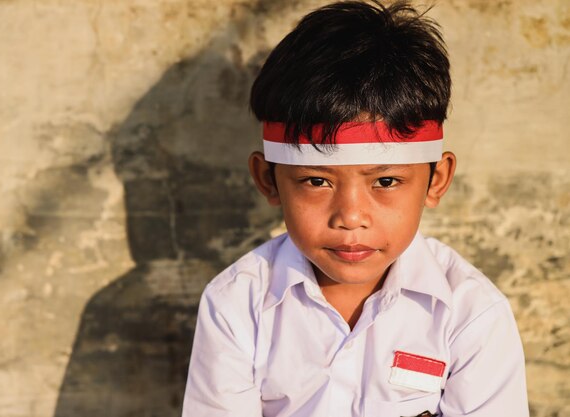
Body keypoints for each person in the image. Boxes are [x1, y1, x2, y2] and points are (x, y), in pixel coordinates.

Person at [182, 1, 528, 416]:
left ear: (436, 180)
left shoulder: (471, 314)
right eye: (316, 181)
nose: (350, 216)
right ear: (268, 179)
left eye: (385, 182)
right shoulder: (237, 305)